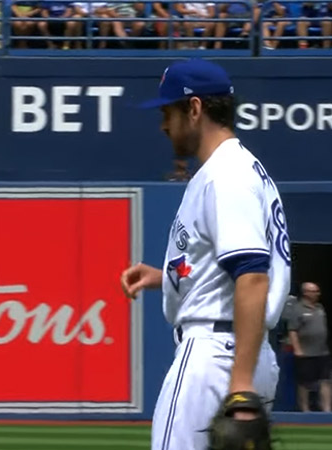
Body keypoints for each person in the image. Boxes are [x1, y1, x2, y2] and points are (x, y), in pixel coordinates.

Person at [121, 58, 291, 450]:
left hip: (217, 359)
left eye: (168, 111)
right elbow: (232, 269)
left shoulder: (226, 176)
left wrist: (241, 387)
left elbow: (252, 276)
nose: (163, 124)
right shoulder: (239, 170)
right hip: (240, 351)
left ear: (194, 109)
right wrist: (163, 278)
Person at [287, 282, 332, 412]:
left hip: (322, 352)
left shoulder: (320, 308)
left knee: (325, 380)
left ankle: (327, 410)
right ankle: (305, 410)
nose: (317, 294)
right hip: (306, 352)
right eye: (314, 291)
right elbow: (292, 330)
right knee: (304, 383)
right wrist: (297, 349)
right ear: (305, 293)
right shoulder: (297, 309)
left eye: (317, 291)